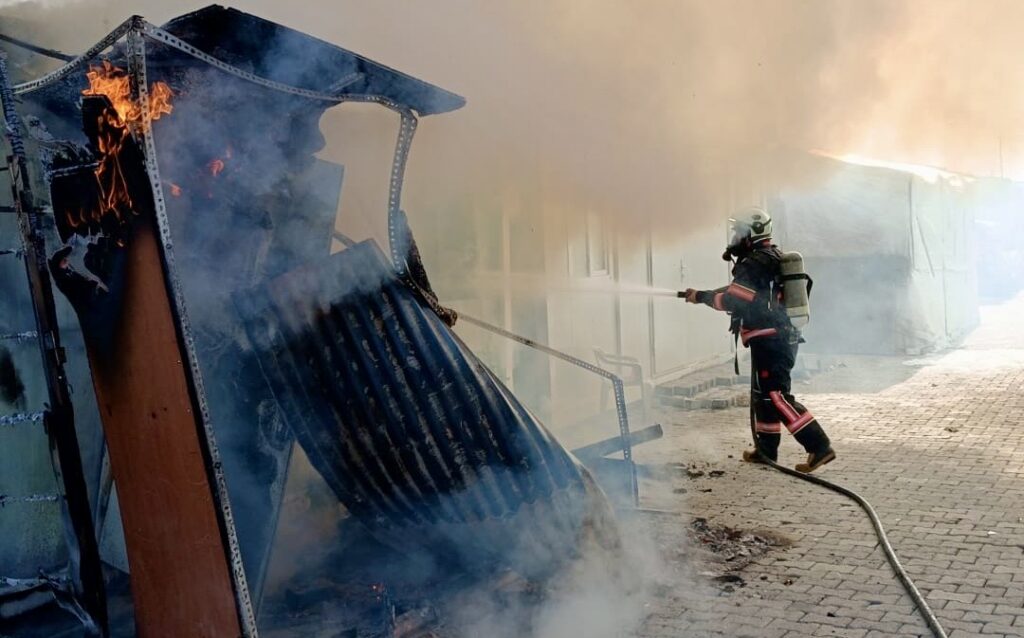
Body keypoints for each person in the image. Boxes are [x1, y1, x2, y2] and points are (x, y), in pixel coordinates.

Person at [683, 206, 835, 473]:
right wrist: (700, 295)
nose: (734, 237)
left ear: (752, 232)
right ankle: (766, 451)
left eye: (738, 231)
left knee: (776, 396)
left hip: (771, 339)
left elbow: (733, 299)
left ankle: (819, 447)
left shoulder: (754, 262)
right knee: (762, 396)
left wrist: (706, 299)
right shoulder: (767, 257)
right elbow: (741, 292)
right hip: (774, 337)